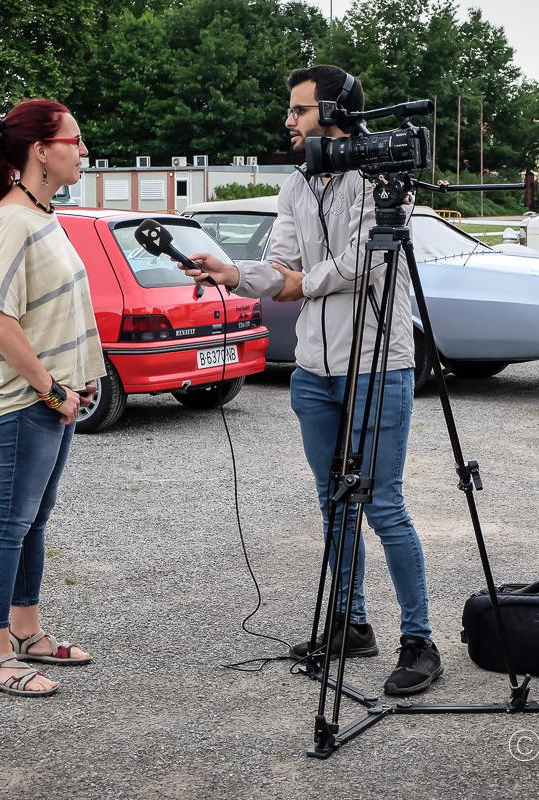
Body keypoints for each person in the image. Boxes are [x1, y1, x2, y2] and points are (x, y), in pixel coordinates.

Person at [179, 66, 443, 696]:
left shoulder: (380, 176)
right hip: (314, 372)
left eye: (298, 110)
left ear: (334, 112)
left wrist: (302, 282)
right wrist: (235, 274)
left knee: (383, 504)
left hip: (378, 366)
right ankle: (351, 624)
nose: (288, 121)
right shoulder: (297, 183)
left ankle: (419, 640)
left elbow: (367, 263)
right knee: (334, 505)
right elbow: (283, 267)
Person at [0, 99, 104, 697]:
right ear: (42, 151)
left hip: (55, 398)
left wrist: (79, 377)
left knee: (32, 522)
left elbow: (54, 310)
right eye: (75, 140)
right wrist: (51, 389)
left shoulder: (43, 214)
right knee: (8, 523)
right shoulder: (13, 220)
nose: (84, 150)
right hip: (27, 403)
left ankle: (26, 633)